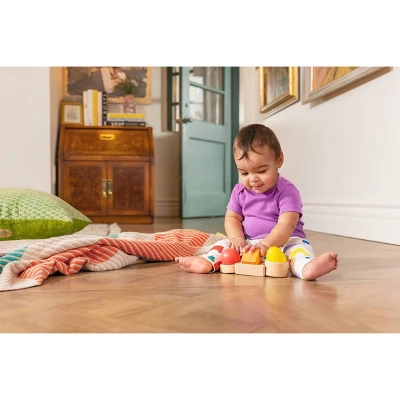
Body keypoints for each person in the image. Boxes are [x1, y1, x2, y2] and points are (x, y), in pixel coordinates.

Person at [175, 124, 338, 280]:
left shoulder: (287, 191)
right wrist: (237, 239)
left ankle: (306, 267)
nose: (253, 179)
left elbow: (286, 225)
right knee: (223, 244)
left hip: (285, 241)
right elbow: (232, 218)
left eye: (261, 171)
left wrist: (267, 244)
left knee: (297, 250)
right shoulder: (239, 191)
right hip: (250, 243)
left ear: (279, 160)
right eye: (244, 173)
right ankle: (206, 261)